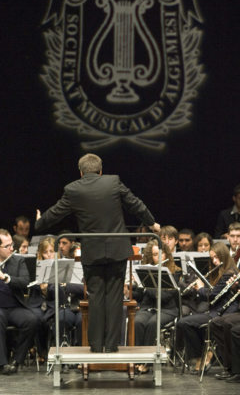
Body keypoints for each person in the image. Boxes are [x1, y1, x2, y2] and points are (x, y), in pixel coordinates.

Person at [34, 153, 160, 353]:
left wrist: (39, 222)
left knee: (95, 297)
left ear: (81, 171)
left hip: (92, 252)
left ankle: (95, 346)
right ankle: (111, 346)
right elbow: (135, 204)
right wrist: (152, 223)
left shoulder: (73, 189)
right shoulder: (113, 182)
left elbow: (55, 213)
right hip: (118, 250)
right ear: (100, 171)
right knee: (114, 297)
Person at [177, 242, 238, 374]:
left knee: (185, 322)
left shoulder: (229, 273)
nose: (215, 261)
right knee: (186, 322)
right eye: (212, 258)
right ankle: (202, 355)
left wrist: (200, 288)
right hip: (215, 310)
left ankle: (204, 355)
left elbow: (213, 295)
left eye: (217, 257)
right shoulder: (220, 272)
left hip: (224, 312)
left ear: (224, 256)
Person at [133, 240, 180, 373]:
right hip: (148, 307)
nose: (159, 257)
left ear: (166, 254)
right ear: (150, 257)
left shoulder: (174, 272)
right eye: (155, 254)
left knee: (153, 323)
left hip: (168, 309)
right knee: (138, 321)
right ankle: (138, 360)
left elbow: (164, 296)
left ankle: (147, 362)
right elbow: (142, 295)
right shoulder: (146, 271)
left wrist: (142, 287)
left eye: (162, 253)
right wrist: (129, 290)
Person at [0, 229, 38, 375]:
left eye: (12, 245)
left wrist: (6, 278)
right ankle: (2, 364)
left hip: (15, 306)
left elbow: (24, 282)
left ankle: (16, 360)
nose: (12, 248)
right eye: (7, 246)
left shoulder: (18, 260)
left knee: (32, 320)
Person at [28, 237, 61, 361]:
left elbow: (59, 292)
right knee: (36, 318)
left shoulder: (61, 267)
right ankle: (40, 351)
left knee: (47, 321)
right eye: (45, 252)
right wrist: (42, 289)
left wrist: (46, 290)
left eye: (51, 251)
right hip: (37, 303)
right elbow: (31, 287)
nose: (48, 255)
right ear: (41, 253)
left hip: (54, 304)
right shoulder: (36, 267)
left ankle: (47, 351)